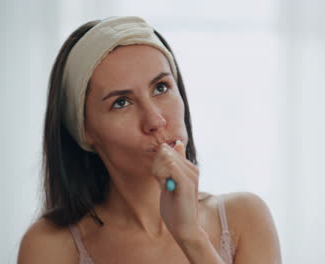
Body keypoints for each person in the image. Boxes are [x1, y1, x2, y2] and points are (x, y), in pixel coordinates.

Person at [17, 16, 281, 264]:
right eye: (121, 102)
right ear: (84, 131)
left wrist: (191, 236)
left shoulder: (245, 218)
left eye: (161, 88)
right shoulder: (49, 246)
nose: (155, 120)